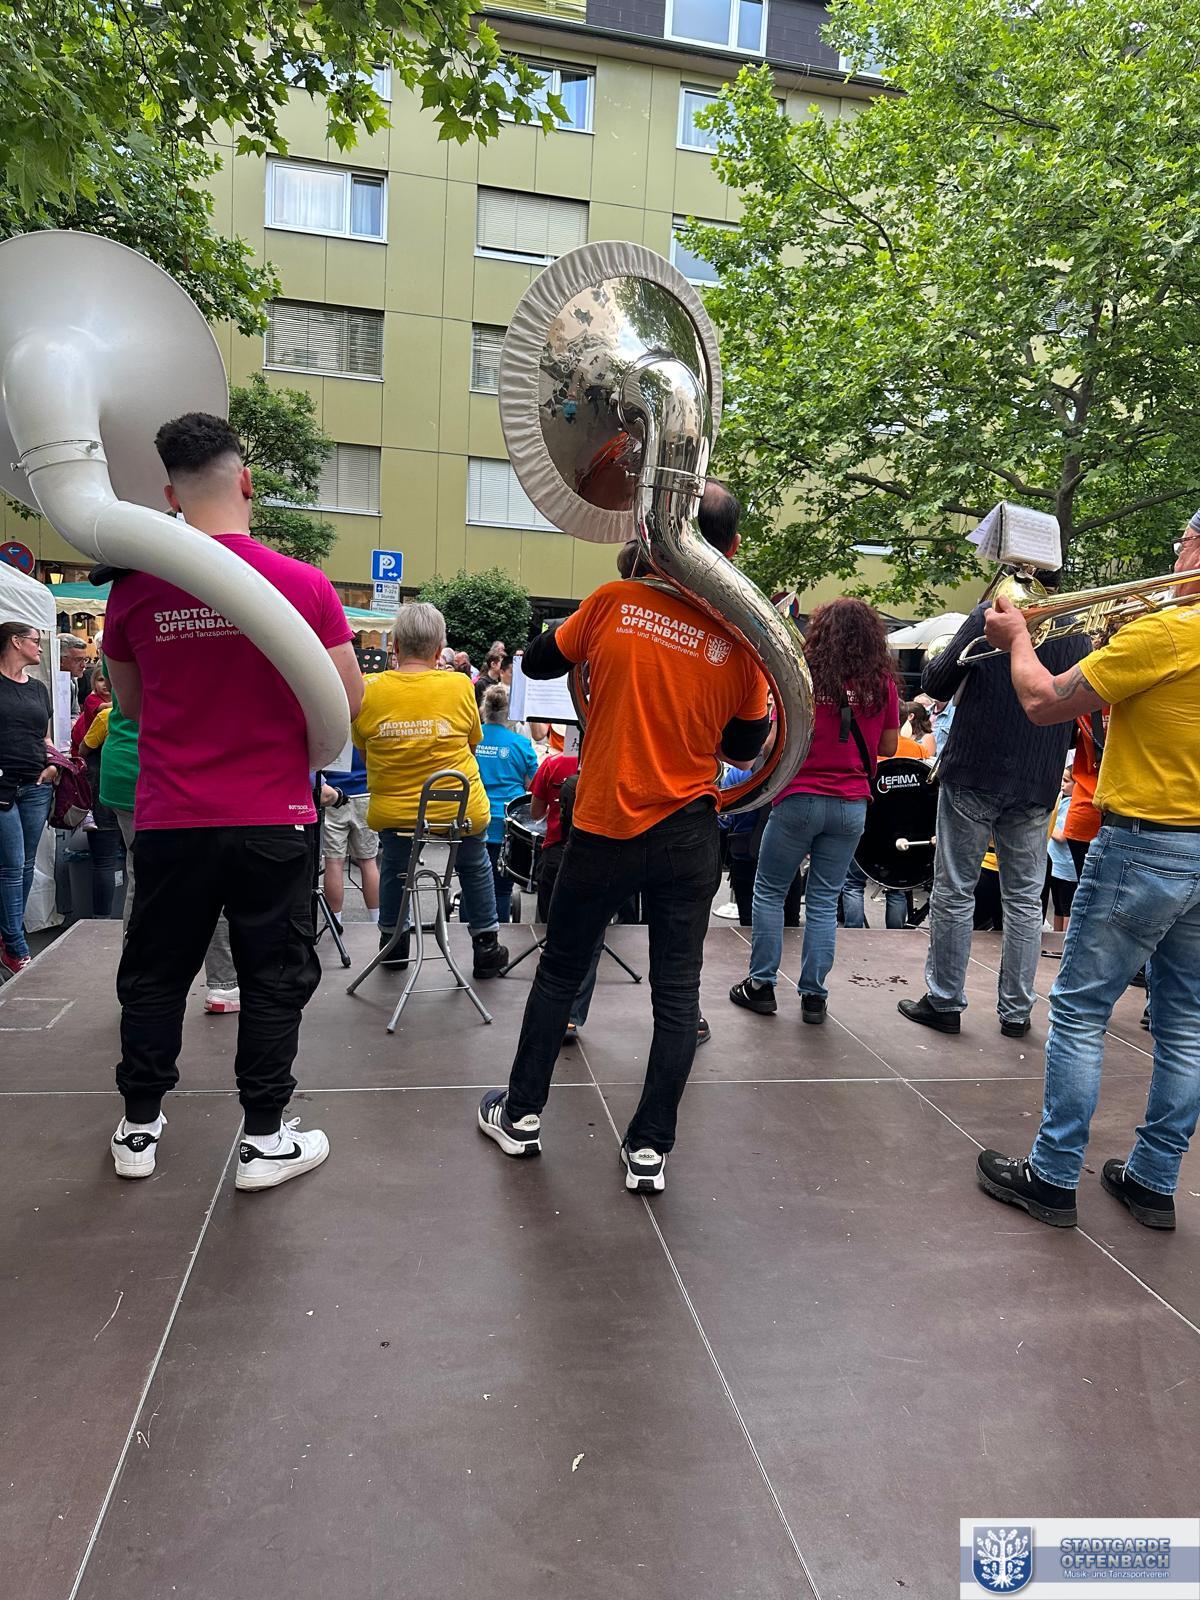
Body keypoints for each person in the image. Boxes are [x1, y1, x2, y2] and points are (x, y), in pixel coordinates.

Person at [477, 482, 769, 1194]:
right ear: (731, 550)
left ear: (660, 533)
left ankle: (520, 1116)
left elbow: (538, 661)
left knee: (560, 972)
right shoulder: (743, 640)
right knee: (677, 995)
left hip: (605, 823)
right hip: (689, 831)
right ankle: (648, 1151)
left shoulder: (612, 603)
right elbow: (743, 746)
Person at [101, 412, 364, 1190]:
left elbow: (132, 705)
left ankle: (139, 1129)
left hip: (171, 817)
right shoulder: (305, 585)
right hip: (273, 815)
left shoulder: (135, 590)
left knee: (154, 972)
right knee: (273, 976)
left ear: (169, 497)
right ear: (245, 482)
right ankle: (263, 1138)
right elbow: (345, 702)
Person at [975, 532, 1200, 1232]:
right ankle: (1154, 1182)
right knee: (1187, 1026)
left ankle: (1052, 1174)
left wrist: (1018, 637)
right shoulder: (1160, 635)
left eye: (1183, 543)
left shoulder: (1168, 633)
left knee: (1079, 1013)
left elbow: (1043, 701)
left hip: (1144, 843)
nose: (1174, 556)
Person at [899, 575, 1088, 1039]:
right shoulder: (1078, 630)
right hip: (1036, 778)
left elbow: (936, 682)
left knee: (954, 889)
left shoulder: (990, 614)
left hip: (975, 769)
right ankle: (1017, 1011)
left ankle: (944, 1000)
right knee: (1024, 899)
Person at [730, 598, 899, 1022]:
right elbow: (889, 746)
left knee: (770, 891)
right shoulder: (882, 684)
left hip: (799, 798)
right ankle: (813, 996)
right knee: (824, 900)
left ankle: (761, 985)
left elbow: (772, 742)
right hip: (851, 805)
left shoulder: (803, 676)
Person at [352, 602, 507, 977]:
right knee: (474, 863)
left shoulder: (369, 690)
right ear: (439, 650)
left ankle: (393, 943)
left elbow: (365, 751)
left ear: (396, 646)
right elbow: (471, 744)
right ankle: (486, 945)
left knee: (395, 866)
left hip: (397, 812)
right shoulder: (460, 685)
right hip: (460, 808)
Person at [89, 654, 242, 1012]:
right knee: (213, 876)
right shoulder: (196, 635)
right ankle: (223, 984)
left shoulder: (124, 632)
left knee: (141, 879)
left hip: (126, 766)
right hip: (180, 768)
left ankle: (138, 984)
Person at [0, 621, 62, 974]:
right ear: (15, 641)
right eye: (35, 640)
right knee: (11, 865)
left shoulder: (38, 688)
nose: (40, 647)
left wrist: (53, 766)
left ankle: (8, 936)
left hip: (37, 784)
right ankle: (16, 946)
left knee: (24, 865)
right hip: (3, 786)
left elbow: (45, 736)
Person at [471, 685, 538, 923]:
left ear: (484, 709)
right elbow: (533, 786)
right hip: (506, 824)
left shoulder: (472, 739)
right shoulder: (520, 744)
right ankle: (497, 931)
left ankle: (468, 928)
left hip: (474, 819)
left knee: (473, 883)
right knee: (501, 889)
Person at [320, 745, 380, 929]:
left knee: (333, 862)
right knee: (368, 861)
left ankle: (334, 923)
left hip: (332, 793)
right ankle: (377, 922)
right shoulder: (364, 726)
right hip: (365, 791)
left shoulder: (332, 726)